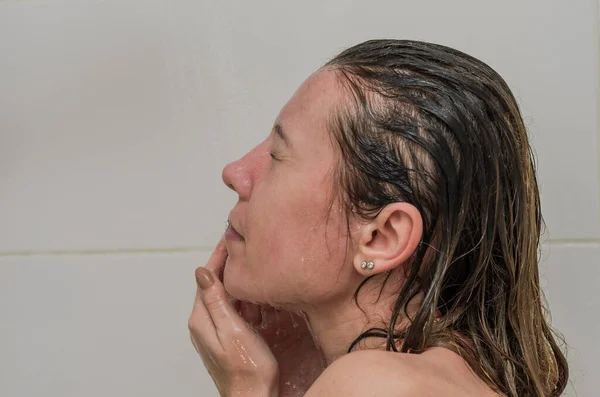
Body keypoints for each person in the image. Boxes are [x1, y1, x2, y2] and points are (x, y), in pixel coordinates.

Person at [188, 39, 569, 397]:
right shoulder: (451, 374)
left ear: (382, 237)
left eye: (277, 156)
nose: (235, 171)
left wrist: (247, 388)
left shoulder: (373, 385)